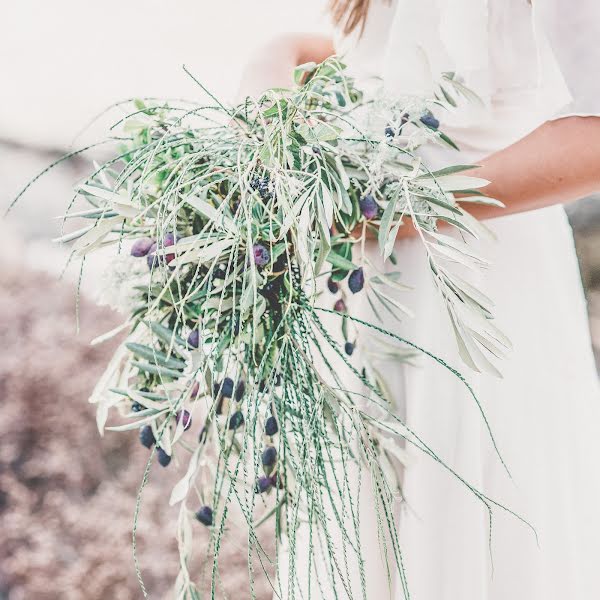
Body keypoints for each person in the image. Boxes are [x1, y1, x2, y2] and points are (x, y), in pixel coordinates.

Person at [238, 1, 600, 598]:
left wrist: (415, 206)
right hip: (360, 284)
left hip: (473, 285)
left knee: (468, 528)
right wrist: (281, 53)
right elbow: (409, 62)